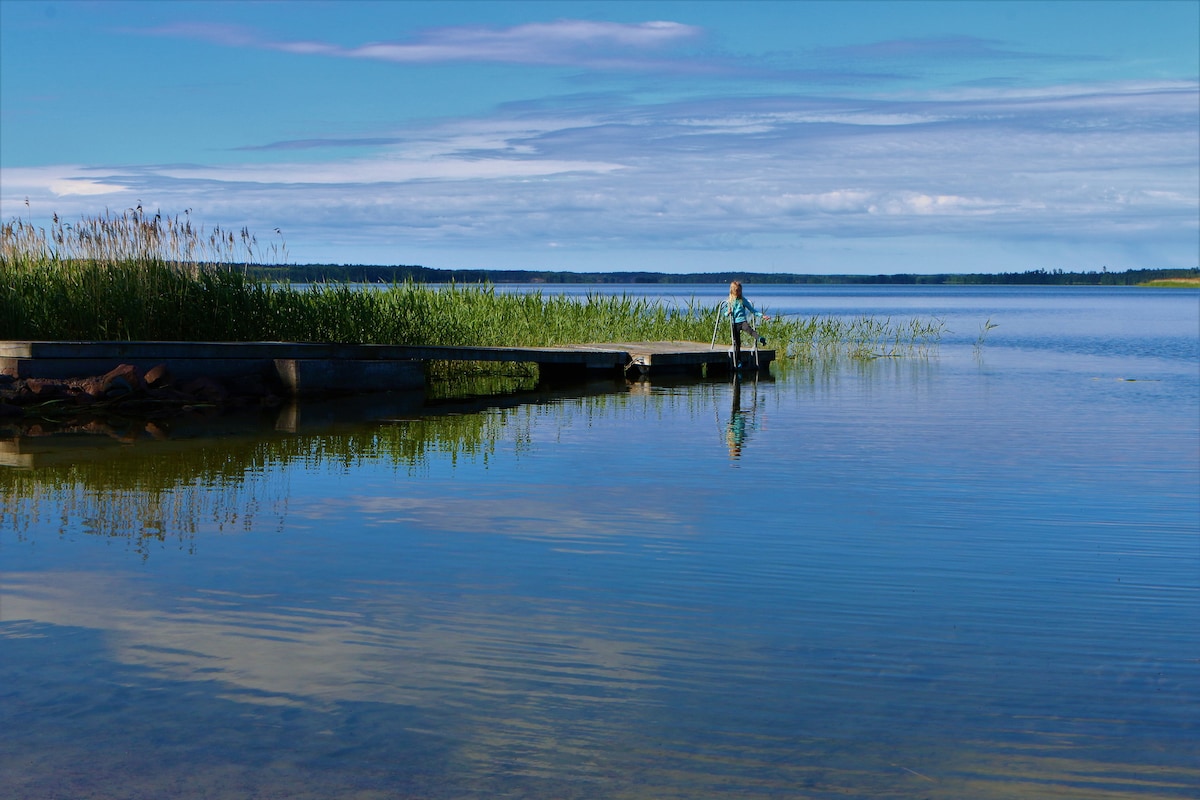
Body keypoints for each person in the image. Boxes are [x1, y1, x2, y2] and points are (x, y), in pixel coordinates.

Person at [725, 281, 770, 367]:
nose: (739, 293)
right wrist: (728, 313)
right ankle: (738, 361)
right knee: (737, 343)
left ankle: (760, 338)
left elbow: (752, 310)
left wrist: (762, 316)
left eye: (740, 291)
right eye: (737, 291)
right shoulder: (730, 301)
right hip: (734, 323)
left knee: (750, 330)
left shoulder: (743, 300)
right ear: (733, 291)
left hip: (742, 321)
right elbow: (725, 314)